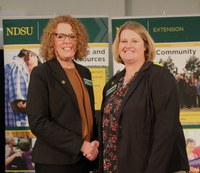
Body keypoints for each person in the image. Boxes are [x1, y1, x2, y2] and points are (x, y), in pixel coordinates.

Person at [98, 21, 189, 173]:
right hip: (114, 166)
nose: (128, 45)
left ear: (145, 45)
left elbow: (166, 131)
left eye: (134, 41)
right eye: (124, 41)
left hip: (150, 167)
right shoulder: (112, 84)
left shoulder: (159, 77)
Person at [26, 15, 99, 173]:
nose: (67, 41)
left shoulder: (85, 73)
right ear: (51, 40)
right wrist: (80, 144)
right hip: (54, 162)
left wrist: (95, 143)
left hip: (83, 160)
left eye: (72, 36)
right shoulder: (41, 73)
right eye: (61, 36)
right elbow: (37, 122)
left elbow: (87, 115)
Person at [5, 49, 41, 127]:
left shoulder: (9, 66)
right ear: (29, 55)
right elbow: (19, 104)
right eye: (38, 63)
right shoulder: (19, 66)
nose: (38, 68)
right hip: (20, 129)